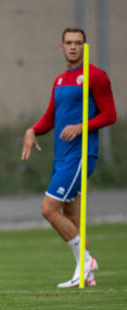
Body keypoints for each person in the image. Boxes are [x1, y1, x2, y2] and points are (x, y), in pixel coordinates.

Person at [21, 27, 117, 288]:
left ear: (85, 47)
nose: (74, 46)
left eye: (78, 43)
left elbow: (110, 114)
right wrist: (32, 130)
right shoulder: (60, 80)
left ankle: (86, 261)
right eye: (69, 42)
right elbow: (50, 118)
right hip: (62, 156)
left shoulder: (96, 76)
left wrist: (81, 126)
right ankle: (85, 273)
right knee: (72, 215)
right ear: (61, 47)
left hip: (81, 154)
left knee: (48, 209)